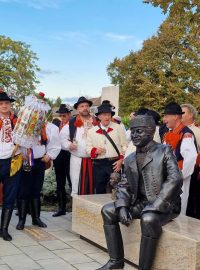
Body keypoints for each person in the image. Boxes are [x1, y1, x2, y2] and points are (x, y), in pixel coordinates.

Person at [97, 115, 182, 270]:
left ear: (150, 132)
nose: (134, 135)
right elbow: (124, 184)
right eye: (133, 132)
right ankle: (116, 261)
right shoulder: (130, 158)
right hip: (141, 202)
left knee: (148, 218)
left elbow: (175, 178)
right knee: (108, 210)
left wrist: (156, 205)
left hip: (165, 204)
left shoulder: (164, 150)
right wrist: (122, 206)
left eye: (139, 131)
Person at [16, 93, 61, 230]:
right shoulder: (23, 124)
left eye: (40, 110)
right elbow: (16, 142)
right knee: (24, 190)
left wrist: (49, 155)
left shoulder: (50, 128)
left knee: (36, 190)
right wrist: (20, 154)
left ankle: (36, 218)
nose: (37, 113)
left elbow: (55, 144)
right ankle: (22, 219)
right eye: (35, 110)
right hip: (25, 160)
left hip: (40, 161)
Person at [163, 102, 197, 215]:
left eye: (166, 116)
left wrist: (180, 176)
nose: (164, 119)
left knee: (179, 204)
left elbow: (191, 158)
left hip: (179, 177)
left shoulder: (186, 134)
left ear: (176, 116)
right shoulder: (170, 132)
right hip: (169, 176)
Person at [60, 96, 98, 195]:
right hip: (77, 159)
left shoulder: (96, 122)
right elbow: (61, 139)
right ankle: (77, 209)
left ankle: (92, 209)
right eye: (82, 106)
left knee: (94, 186)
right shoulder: (71, 123)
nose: (85, 108)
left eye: (86, 106)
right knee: (77, 186)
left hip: (94, 160)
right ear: (77, 109)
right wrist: (69, 145)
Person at [86, 103, 127, 194]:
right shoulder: (91, 131)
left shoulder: (118, 128)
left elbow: (124, 145)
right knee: (100, 190)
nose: (107, 117)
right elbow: (88, 148)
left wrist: (121, 160)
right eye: (104, 115)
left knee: (116, 190)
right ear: (99, 116)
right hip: (98, 165)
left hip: (114, 163)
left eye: (109, 114)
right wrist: (95, 150)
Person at [0, 89, 22, 241]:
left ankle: (4, 229)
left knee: (10, 195)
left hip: (13, 161)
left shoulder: (19, 121)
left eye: (6, 103)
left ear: (10, 105)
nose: (4, 106)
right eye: (1, 103)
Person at [52, 104, 72, 217]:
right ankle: (61, 207)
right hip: (59, 155)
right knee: (60, 182)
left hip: (69, 154)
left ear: (69, 114)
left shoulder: (73, 125)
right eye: (61, 115)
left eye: (64, 115)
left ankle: (74, 207)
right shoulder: (58, 125)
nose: (62, 117)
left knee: (72, 181)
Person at [181, 103, 200, 218]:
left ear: (191, 115)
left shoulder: (196, 131)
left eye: (183, 113)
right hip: (181, 169)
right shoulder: (177, 130)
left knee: (193, 199)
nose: (179, 115)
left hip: (194, 171)